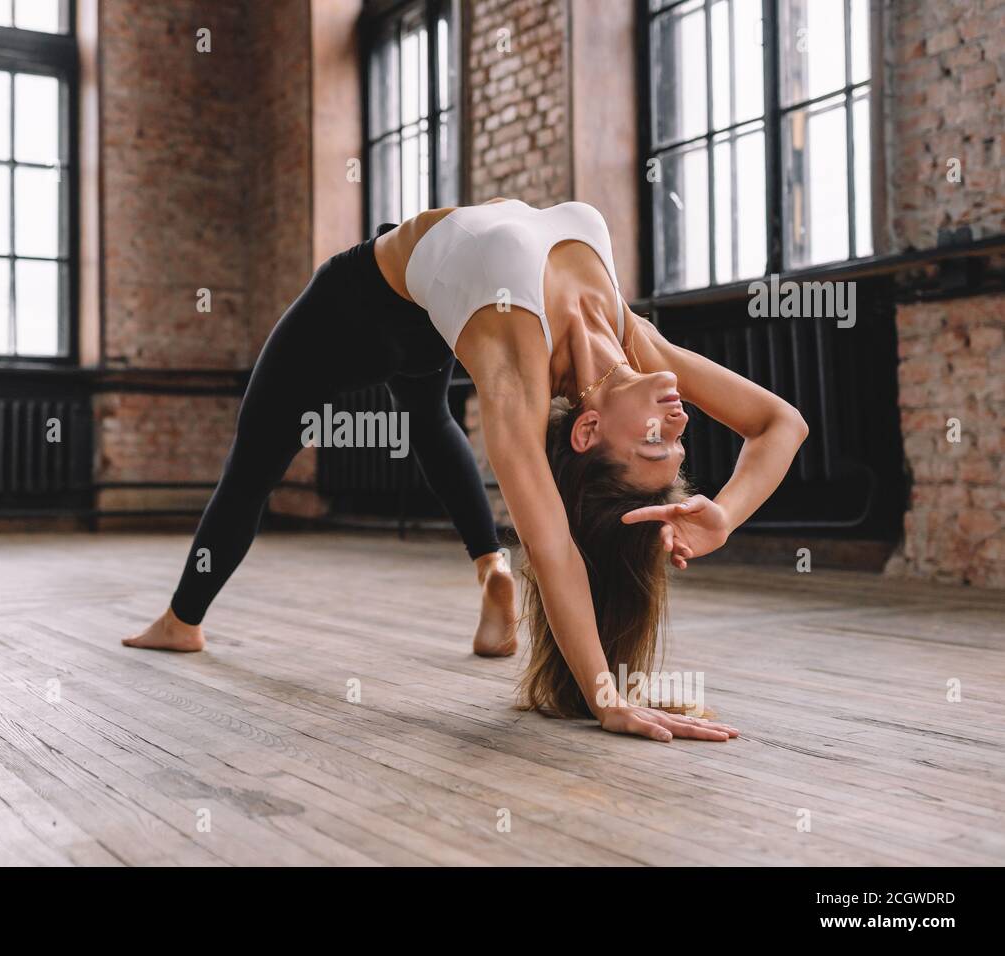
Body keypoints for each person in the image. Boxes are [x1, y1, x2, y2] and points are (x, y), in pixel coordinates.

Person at [125, 198, 808, 744]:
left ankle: (182, 621)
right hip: (434, 311)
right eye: (676, 450)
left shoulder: (515, 373)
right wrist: (725, 514)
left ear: (589, 428)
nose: (682, 425)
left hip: (357, 310)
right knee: (428, 421)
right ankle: (488, 571)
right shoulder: (636, 339)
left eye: (655, 444)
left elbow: (556, 550)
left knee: (256, 455)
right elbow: (783, 423)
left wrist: (605, 696)